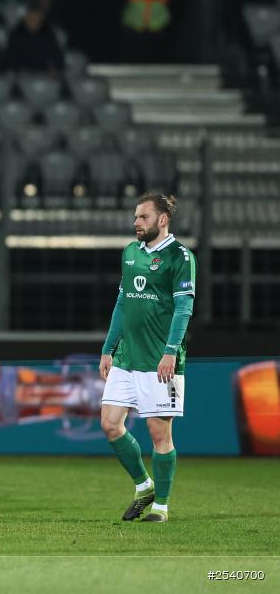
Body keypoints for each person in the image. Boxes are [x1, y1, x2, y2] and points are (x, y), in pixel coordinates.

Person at [99, 192, 195, 523]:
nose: (136, 222)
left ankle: (162, 507)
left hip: (160, 360)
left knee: (158, 433)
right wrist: (108, 348)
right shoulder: (129, 253)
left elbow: (184, 307)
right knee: (110, 424)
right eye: (136, 217)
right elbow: (123, 304)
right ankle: (144, 486)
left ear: (162, 219)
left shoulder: (180, 257)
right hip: (127, 358)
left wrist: (170, 351)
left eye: (143, 217)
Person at [2, 0, 65, 76]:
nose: (33, 21)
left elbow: (59, 60)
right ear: (26, 17)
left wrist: (54, 68)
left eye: (36, 18)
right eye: (31, 17)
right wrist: (18, 71)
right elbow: (8, 61)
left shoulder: (48, 34)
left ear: (42, 18)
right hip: (20, 78)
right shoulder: (16, 34)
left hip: (44, 77)